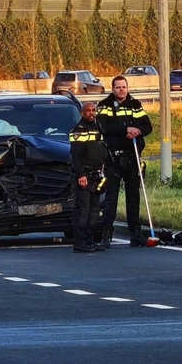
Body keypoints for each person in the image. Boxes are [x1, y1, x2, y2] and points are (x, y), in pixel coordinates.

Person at [95, 75, 153, 248]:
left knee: (133, 197)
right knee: (110, 198)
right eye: (118, 87)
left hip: (132, 156)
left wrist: (137, 132)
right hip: (113, 157)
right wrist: (125, 129)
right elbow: (103, 126)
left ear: (127, 88)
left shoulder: (135, 105)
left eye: (124, 87)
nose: (121, 90)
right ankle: (106, 234)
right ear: (113, 89)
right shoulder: (104, 105)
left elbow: (147, 127)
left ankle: (135, 233)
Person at [69, 102, 106, 253]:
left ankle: (90, 241)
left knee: (94, 210)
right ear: (82, 113)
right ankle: (80, 243)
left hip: (97, 174)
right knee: (83, 210)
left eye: (93, 110)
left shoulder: (98, 127)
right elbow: (75, 156)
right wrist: (81, 175)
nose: (91, 113)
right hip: (84, 175)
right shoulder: (78, 130)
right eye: (87, 111)